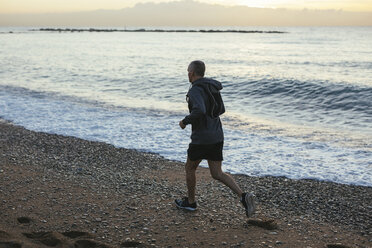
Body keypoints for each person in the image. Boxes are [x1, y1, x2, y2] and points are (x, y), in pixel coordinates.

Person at [175, 60, 256, 217]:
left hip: (201, 139)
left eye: (188, 71)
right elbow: (222, 109)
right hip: (217, 135)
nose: (187, 74)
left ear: (191, 73)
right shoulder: (212, 87)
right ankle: (243, 196)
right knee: (217, 173)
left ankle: (190, 203)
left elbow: (199, 110)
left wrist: (185, 121)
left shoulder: (195, 90)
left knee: (190, 168)